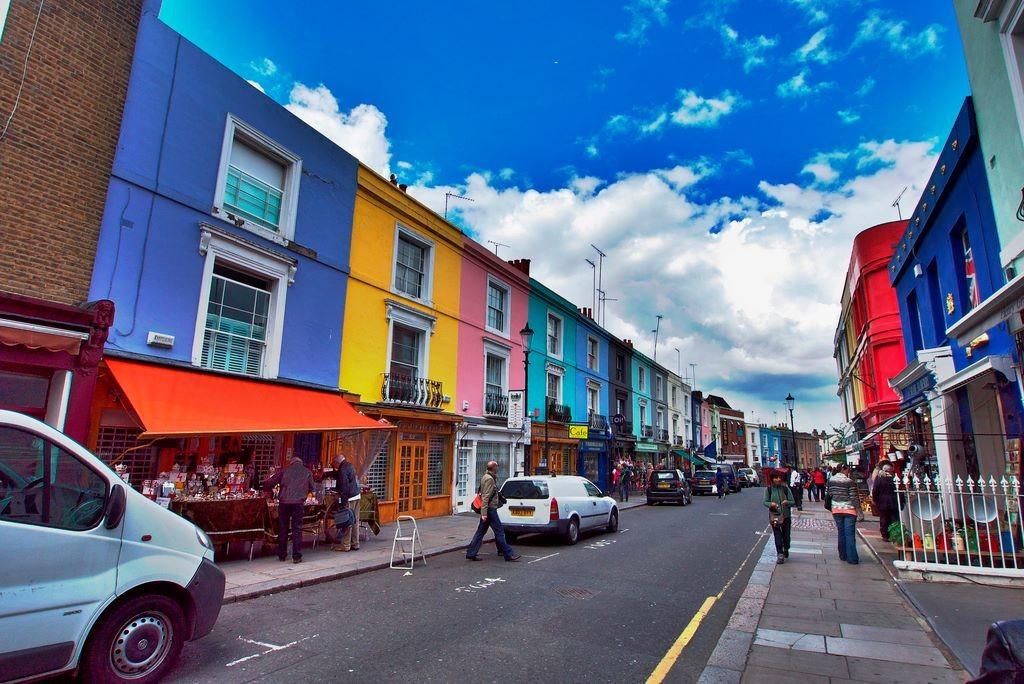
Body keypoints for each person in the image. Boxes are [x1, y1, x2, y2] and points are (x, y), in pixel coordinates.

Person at [466, 460, 521, 562]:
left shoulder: (486, 476)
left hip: (488, 510)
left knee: (481, 532)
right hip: (490, 510)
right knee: (500, 531)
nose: (498, 468)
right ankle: (508, 554)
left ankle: (471, 553)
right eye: (497, 466)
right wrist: (484, 514)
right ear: (494, 468)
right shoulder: (489, 479)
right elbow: (485, 497)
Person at [263, 456, 314, 564]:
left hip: (284, 502)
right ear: (301, 463)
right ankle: (296, 556)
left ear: (291, 463)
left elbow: (269, 483)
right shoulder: (307, 472)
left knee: (283, 528)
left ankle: (282, 554)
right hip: (298, 503)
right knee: (297, 529)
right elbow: (312, 487)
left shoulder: (285, 471)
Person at [827, 464, 863, 564]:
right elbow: (853, 497)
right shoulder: (849, 482)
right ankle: (852, 558)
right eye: (848, 470)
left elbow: (829, 493)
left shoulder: (831, 480)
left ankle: (843, 555)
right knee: (850, 534)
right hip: (849, 509)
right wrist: (859, 511)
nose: (849, 472)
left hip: (836, 509)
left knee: (841, 532)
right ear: (844, 470)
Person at [763, 470, 795, 563]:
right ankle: (780, 554)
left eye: (779, 477)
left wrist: (787, 502)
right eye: (776, 478)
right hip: (775, 516)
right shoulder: (768, 489)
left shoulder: (785, 488)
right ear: (772, 479)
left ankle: (786, 548)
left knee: (786, 536)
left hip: (786, 516)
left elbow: (792, 501)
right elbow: (765, 502)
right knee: (777, 535)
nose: (778, 479)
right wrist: (771, 504)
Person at [331, 454, 361, 552]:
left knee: (346, 520)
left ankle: (345, 545)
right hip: (356, 495)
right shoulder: (349, 465)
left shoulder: (342, 469)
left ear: (337, 462)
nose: (333, 465)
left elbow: (343, 486)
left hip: (349, 497)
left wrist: (343, 502)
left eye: (334, 463)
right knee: (355, 520)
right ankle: (355, 543)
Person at [871, 463, 898, 540]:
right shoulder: (894, 479)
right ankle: (894, 534)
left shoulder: (879, 478)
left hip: (882, 502)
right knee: (893, 518)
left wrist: (874, 499)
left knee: (884, 519)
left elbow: (875, 490)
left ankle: (885, 535)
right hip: (893, 501)